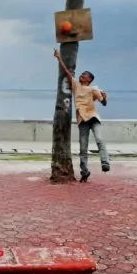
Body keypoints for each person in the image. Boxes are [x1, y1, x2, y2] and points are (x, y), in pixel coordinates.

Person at [53, 49, 110, 182]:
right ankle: (84, 172)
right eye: (81, 74)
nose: (81, 76)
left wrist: (105, 98)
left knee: (100, 140)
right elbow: (67, 72)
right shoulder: (76, 86)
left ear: (89, 79)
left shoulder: (93, 89)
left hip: (93, 117)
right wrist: (59, 57)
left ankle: (105, 163)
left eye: (84, 75)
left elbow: (104, 103)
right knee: (82, 148)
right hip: (82, 120)